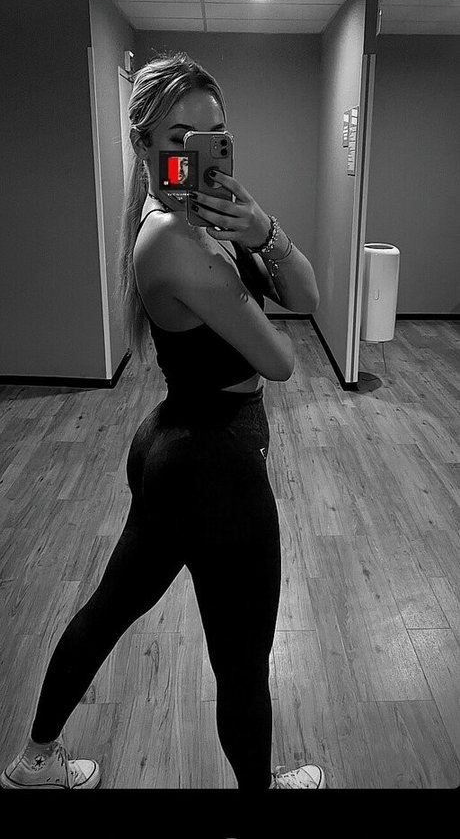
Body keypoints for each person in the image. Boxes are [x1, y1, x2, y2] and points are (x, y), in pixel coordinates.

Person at [1, 51, 324, 790]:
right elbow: (281, 359)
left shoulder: (203, 219)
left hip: (176, 447)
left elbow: (306, 294)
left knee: (112, 606)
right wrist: (245, 240)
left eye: (214, 135)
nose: (198, 152)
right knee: (241, 662)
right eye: (179, 138)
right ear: (144, 144)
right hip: (213, 465)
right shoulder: (175, 241)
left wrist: (262, 228)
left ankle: (35, 760)